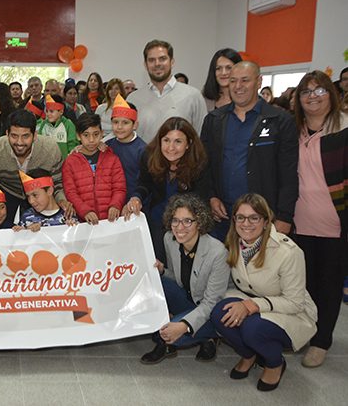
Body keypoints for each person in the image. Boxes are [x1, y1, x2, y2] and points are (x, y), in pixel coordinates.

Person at [211, 193, 317, 392]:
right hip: (254, 301)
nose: (246, 223)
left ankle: (274, 362)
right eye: (241, 217)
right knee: (219, 313)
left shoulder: (289, 252)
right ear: (234, 221)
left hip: (291, 311)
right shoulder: (234, 244)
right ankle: (249, 354)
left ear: (267, 221)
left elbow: (295, 302)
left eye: (254, 217)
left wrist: (252, 306)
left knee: (253, 328)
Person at [200, 61, 298, 240]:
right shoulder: (214, 120)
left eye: (245, 80)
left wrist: (285, 216)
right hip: (223, 217)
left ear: (259, 82)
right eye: (233, 81)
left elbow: (289, 174)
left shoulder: (280, 121)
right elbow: (204, 166)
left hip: (263, 217)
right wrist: (211, 197)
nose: (238, 86)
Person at [291, 70, 348, 367]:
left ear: (332, 94)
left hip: (334, 224)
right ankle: (307, 330)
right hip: (299, 223)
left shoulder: (343, 129)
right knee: (304, 284)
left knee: (329, 285)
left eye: (320, 90)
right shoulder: (294, 131)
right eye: (306, 91)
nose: (312, 96)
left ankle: (322, 340)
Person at [140, 193, 229, 364]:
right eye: (175, 220)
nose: (180, 227)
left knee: (174, 335)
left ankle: (210, 335)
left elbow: (211, 303)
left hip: (211, 309)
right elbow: (178, 279)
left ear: (200, 223)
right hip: (189, 298)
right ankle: (196, 335)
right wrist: (161, 271)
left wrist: (184, 325)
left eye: (187, 221)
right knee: (156, 281)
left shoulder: (217, 252)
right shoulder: (170, 239)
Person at [124, 117, 207, 264]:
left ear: (188, 144)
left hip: (186, 226)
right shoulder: (149, 156)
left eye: (178, 141)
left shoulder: (199, 162)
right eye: (166, 140)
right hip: (158, 222)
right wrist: (136, 197)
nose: (171, 147)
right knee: (159, 266)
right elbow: (144, 183)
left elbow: (201, 201)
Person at [0, 109, 73, 222]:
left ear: (35, 135)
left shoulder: (50, 149)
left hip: (39, 197)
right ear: (7, 134)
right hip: (7, 194)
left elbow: (58, 183)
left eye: (25, 136)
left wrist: (62, 201)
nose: (19, 142)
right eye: (14, 136)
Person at [127, 39, 208, 143]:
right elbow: (123, 135)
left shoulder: (193, 96)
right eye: (151, 60)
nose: (157, 64)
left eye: (162, 59)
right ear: (145, 65)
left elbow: (202, 136)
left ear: (172, 62)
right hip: (143, 159)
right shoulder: (133, 99)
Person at [63, 112, 126, 224]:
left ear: (102, 134)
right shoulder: (70, 162)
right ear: (78, 136)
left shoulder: (112, 159)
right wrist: (85, 211)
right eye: (86, 135)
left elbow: (119, 188)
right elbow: (71, 192)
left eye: (96, 134)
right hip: (84, 221)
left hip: (110, 220)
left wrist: (115, 205)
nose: (91, 140)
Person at [107, 96, 146, 202]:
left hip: (135, 202)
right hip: (112, 202)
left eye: (125, 123)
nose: (119, 127)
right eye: (115, 122)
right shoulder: (107, 146)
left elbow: (145, 182)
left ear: (135, 125)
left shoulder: (143, 150)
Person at [36, 95, 78, 159]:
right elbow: (39, 143)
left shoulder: (68, 124)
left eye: (51, 111)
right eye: (47, 111)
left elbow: (72, 145)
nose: (48, 114)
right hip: (46, 163)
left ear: (61, 111)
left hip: (64, 164)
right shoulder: (43, 124)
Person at [202, 48, 243, 112]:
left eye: (229, 68)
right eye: (218, 68)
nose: (223, 73)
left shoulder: (248, 97)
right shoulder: (204, 98)